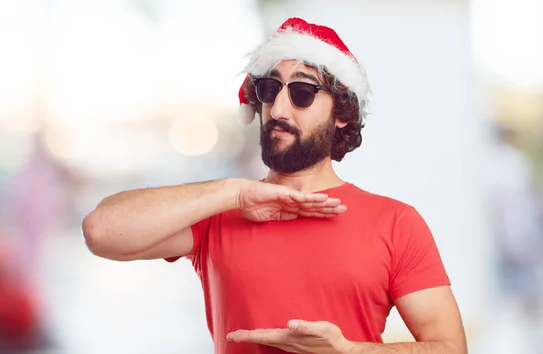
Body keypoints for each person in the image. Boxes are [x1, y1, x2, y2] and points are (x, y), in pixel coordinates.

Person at [82, 17, 467, 354]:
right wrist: (232, 193)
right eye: (269, 90)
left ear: (343, 114)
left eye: (302, 93)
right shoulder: (221, 211)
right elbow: (101, 231)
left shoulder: (396, 223)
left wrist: (347, 352)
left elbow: (450, 348)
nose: (278, 110)